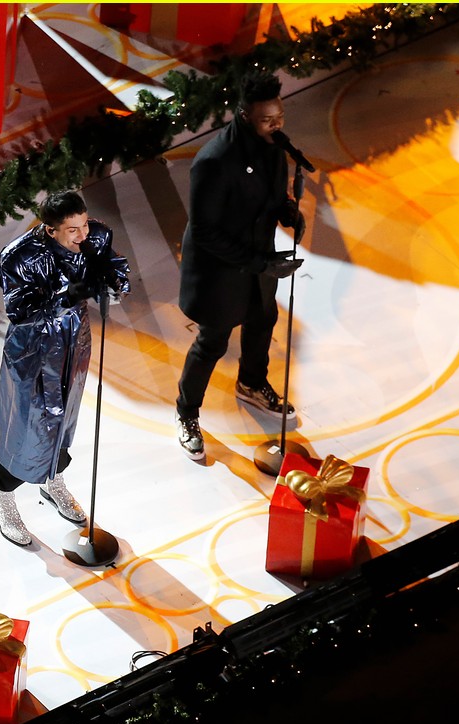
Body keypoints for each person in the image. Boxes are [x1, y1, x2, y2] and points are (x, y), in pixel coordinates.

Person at [174, 72, 305, 460]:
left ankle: (251, 382)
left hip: (257, 259)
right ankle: (186, 412)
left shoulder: (273, 147)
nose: (277, 124)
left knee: (263, 320)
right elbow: (205, 232)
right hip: (220, 269)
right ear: (245, 116)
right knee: (212, 342)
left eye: (280, 116)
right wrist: (260, 262)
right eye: (268, 119)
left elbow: (273, 194)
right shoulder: (214, 162)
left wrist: (288, 211)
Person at [0, 190, 130, 546]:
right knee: (25, 423)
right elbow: (20, 313)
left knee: (65, 415)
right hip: (34, 350)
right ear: (50, 229)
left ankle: (54, 481)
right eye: (72, 230)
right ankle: (3, 498)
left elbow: (111, 263)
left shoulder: (94, 236)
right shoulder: (19, 258)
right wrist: (65, 298)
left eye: (83, 224)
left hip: (74, 341)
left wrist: (116, 283)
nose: (82, 235)